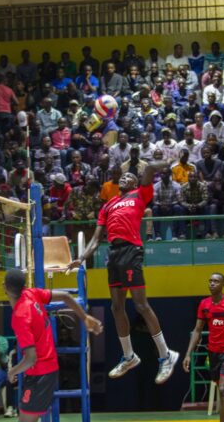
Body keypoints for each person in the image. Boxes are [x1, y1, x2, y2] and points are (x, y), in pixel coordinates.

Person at [67, 160, 180, 384]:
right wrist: (81, 258)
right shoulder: (108, 205)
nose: (125, 178)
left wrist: (165, 161)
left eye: (130, 177)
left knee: (140, 305)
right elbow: (96, 238)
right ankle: (129, 356)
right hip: (114, 254)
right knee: (116, 306)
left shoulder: (140, 194)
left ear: (136, 182)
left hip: (131, 251)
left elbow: (149, 170)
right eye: (123, 177)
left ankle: (166, 355)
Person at [3, 269, 102, 422]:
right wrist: (84, 317)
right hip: (45, 371)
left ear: (5, 287)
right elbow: (66, 296)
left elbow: (31, 359)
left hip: (39, 375)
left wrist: (12, 371)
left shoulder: (20, 317)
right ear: (23, 286)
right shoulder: (31, 293)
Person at [183, 273, 224, 422]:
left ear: (223, 284)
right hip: (213, 353)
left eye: (216, 281)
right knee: (223, 390)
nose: (212, 283)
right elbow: (197, 330)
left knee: (223, 389)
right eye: (210, 281)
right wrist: (187, 354)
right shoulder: (204, 304)